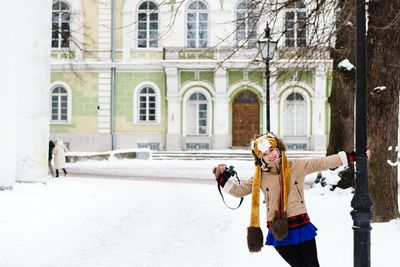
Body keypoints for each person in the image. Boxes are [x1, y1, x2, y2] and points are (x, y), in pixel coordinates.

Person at [214, 132, 356, 267]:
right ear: (260, 158)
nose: (270, 155)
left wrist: (351, 157)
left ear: (278, 148)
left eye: (272, 150)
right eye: (265, 154)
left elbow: (323, 162)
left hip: (300, 224)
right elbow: (240, 190)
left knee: (312, 265)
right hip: (279, 230)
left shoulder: (296, 166)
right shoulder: (259, 177)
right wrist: (222, 177)